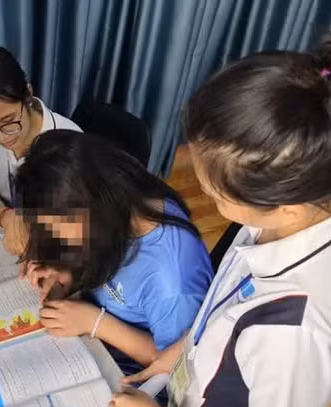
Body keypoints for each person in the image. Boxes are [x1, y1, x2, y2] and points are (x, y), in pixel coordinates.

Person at [109, 21, 331, 407]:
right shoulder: (330, 194)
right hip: (203, 387)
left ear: (287, 207)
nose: (210, 200)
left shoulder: (297, 330)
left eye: (218, 196)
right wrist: (185, 344)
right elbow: (233, 294)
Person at [14, 130, 213, 374]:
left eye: (58, 226)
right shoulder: (118, 209)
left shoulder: (171, 280)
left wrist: (95, 323)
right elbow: (110, 265)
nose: (56, 236)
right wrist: (71, 274)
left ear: (94, 205)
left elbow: (178, 364)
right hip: (93, 341)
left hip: (130, 378)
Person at [0, 46, 82, 255]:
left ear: (28, 95)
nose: (1, 137)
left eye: (9, 121)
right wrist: (7, 217)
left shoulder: (67, 143)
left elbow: (78, 228)